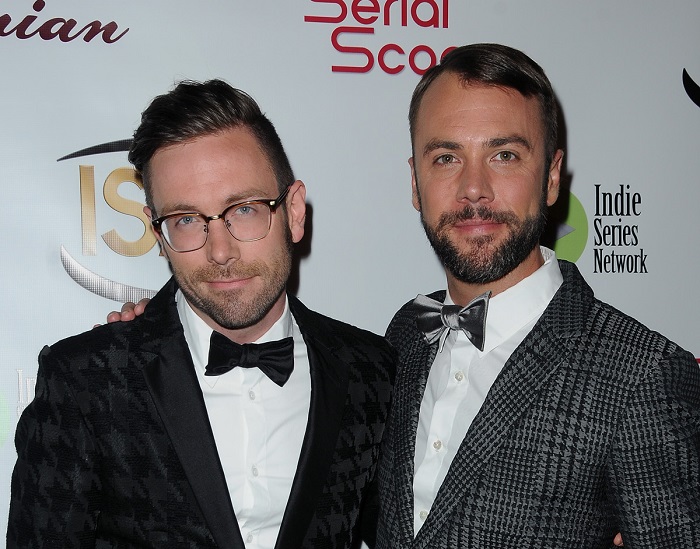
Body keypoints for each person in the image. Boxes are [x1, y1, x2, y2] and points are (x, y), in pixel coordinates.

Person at [8, 79, 395, 548]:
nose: (220, 251)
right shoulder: (85, 381)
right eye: (186, 220)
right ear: (157, 232)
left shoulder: (372, 371)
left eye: (245, 209)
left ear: (294, 212)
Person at [374, 43, 700, 548]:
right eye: (446, 157)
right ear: (415, 182)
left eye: (504, 155)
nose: (474, 188)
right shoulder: (407, 332)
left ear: (550, 176)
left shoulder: (643, 377)